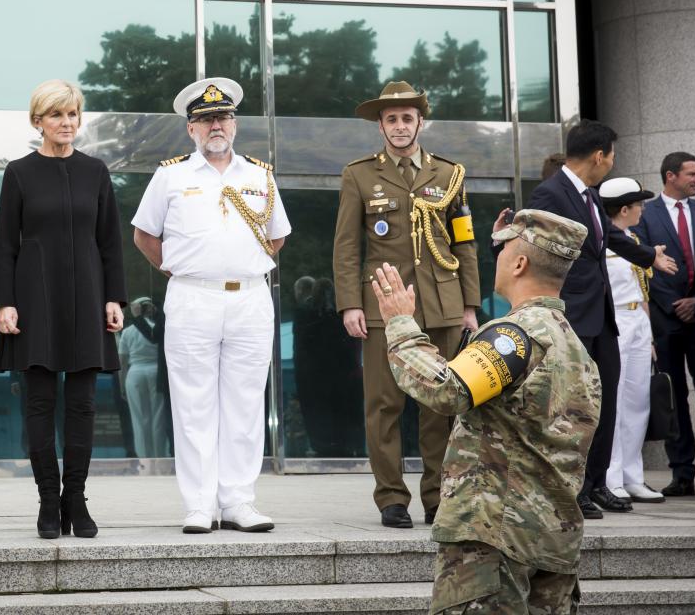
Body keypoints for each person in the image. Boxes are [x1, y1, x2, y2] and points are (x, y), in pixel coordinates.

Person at [374, 209, 599, 613]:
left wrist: (401, 326)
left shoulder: (516, 335)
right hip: (551, 537)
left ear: (519, 263)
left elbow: (447, 392)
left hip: (496, 538)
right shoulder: (574, 346)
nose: (495, 257)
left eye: (504, 249)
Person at [132, 77, 291, 535]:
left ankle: (240, 500)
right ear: (191, 129)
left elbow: (277, 235)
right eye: (205, 120)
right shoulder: (171, 175)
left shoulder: (260, 174)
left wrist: (239, 263)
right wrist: (180, 269)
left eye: (222, 117)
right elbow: (144, 235)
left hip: (250, 296)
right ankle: (200, 505)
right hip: (192, 298)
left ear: (235, 125)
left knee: (244, 402)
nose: (215, 126)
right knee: (193, 403)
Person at [332, 80, 480, 528]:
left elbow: (465, 243)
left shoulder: (450, 174)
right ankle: (392, 498)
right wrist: (349, 305)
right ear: (380, 125)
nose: (400, 126)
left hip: (442, 304)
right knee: (384, 405)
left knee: (441, 406)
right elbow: (346, 246)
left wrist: (470, 304)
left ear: (420, 122)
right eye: (391, 118)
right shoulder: (358, 174)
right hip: (383, 304)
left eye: (407, 118)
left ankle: (437, 496)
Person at [512, 119, 677, 518]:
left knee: (602, 400)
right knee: (574, 406)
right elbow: (532, 241)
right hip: (571, 314)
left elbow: (608, 236)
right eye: (612, 156)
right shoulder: (551, 193)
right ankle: (576, 488)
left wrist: (649, 256)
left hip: (602, 316)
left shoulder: (586, 194)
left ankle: (598, 482)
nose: (612, 162)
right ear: (599, 156)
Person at [0, 79, 127, 540]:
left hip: (88, 297)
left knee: (84, 404)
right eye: (56, 115)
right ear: (38, 121)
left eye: (72, 115)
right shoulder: (20, 173)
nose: (66, 123)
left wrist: (114, 297)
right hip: (35, 298)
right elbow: (6, 243)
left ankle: (76, 499)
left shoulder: (96, 171)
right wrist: (4, 302)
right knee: (41, 402)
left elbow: (110, 241)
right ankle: (49, 500)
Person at [636, 151, 695, 497]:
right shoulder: (646, 215)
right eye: (691, 174)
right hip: (665, 320)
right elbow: (643, 263)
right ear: (670, 176)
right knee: (673, 395)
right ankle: (682, 474)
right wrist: (672, 304)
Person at [601, 178, 664, 503]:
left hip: (638, 321)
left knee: (638, 400)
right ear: (624, 209)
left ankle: (632, 475)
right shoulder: (606, 241)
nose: (642, 209)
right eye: (638, 204)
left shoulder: (634, 239)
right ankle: (611, 478)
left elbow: (643, 293)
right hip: (616, 322)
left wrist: (649, 335)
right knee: (614, 401)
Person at [293, 276, 363, 457]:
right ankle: (342, 446)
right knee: (338, 413)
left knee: (325, 413)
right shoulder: (330, 318)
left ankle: (330, 446)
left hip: (322, 376)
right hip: (332, 375)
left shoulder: (306, 316)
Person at [118, 297, 170, 458]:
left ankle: (144, 459)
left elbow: (123, 362)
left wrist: (121, 386)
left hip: (135, 374)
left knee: (139, 420)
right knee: (158, 418)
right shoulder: (159, 327)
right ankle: (160, 457)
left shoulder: (127, 332)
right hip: (156, 372)